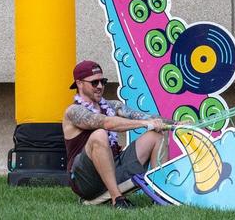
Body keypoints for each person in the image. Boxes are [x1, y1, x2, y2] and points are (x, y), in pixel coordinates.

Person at [63, 60, 169, 208]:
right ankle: (117, 199)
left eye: (103, 81)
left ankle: (161, 195)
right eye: (94, 83)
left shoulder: (112, 105)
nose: (100, 86)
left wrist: (176, 123)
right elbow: (106, 123)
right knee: (100, 134)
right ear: (80, 83)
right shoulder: (73, 111)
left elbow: (147, 117)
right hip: (85, 181)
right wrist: (145, 124)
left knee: (157, 134)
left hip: (113, 170)